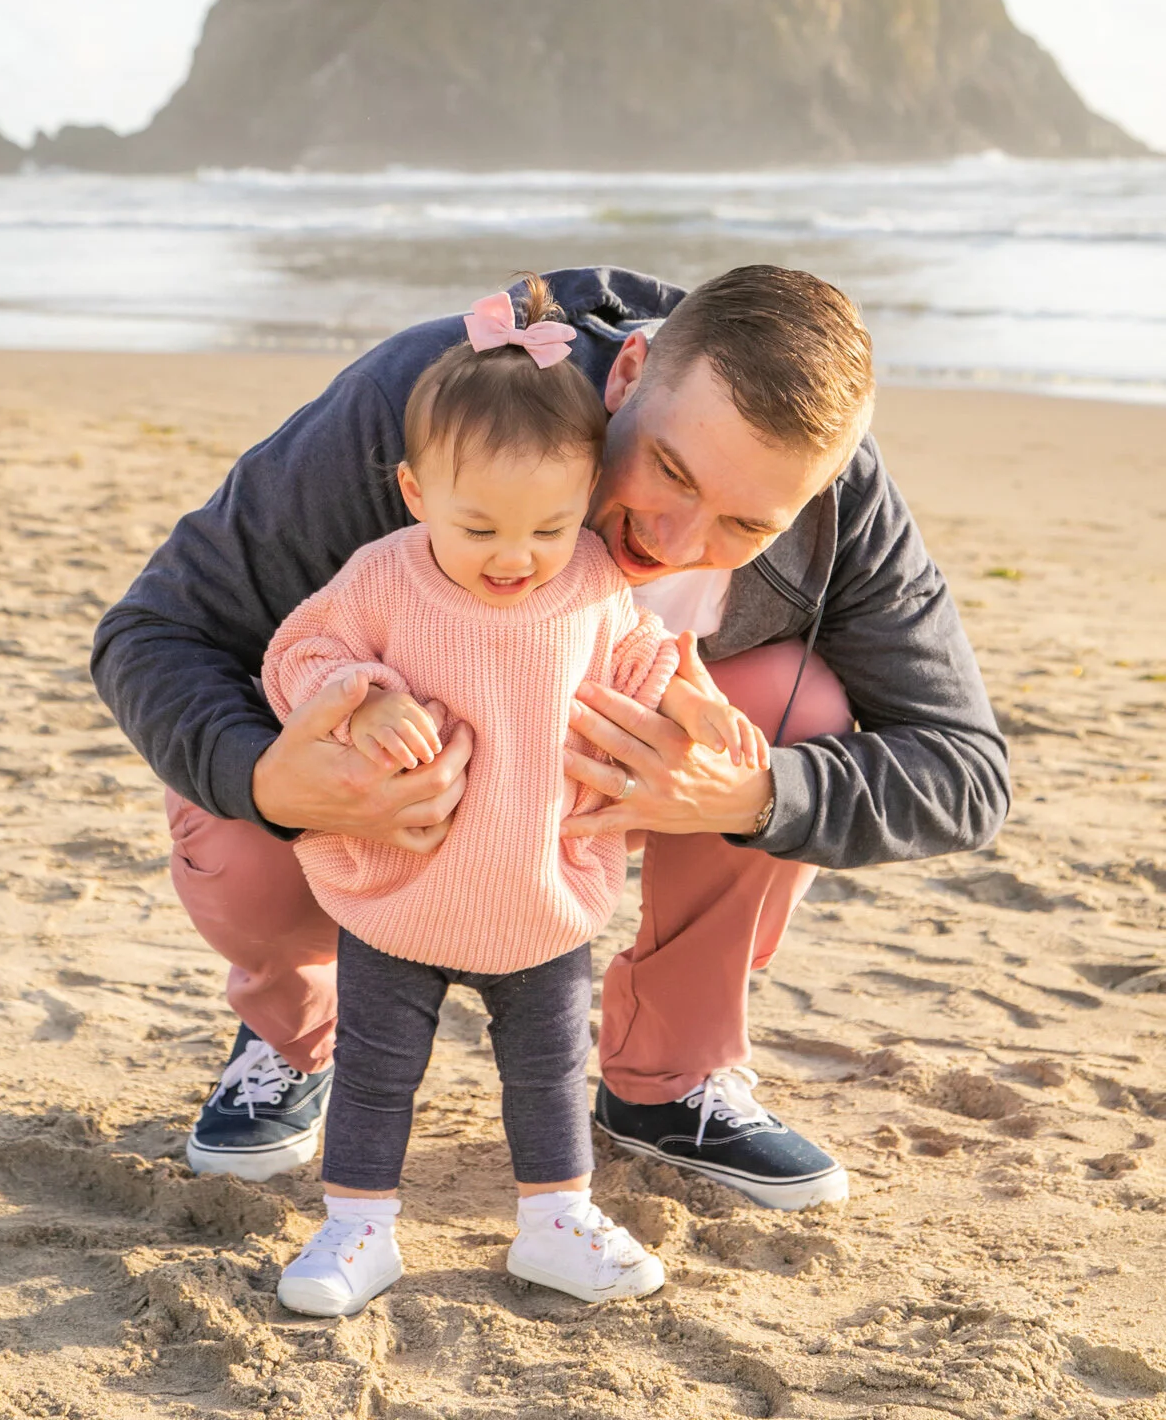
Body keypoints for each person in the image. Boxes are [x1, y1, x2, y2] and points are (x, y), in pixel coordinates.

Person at [92, 265, 1009, 1213]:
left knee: (793, 705)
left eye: (744, 523)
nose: (675, 535)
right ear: (628, 375)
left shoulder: (834, 500)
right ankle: (291, 1032)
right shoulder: (441, 401)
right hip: (382, 795)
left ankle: (667, 1076)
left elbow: (966, 771)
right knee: (236, 782)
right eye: (672, 469)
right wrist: (268, 781)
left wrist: (749, 793)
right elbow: (154, 632)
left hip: (581, 813)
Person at [265, 274, 759, 1312]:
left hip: (539, 893)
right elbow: (300, 651)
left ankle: (554, 1217)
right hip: (401, 892)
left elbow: (647, 658)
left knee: (544, 1076)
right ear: (416, 494)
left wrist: (694, 703)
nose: (512, 556)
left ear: (582, 498)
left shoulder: (590, 581)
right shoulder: (385, 575)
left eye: (545, 526)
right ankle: (358, 1224)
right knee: (373, 1070)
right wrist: (355, 704)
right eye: (479, 526)